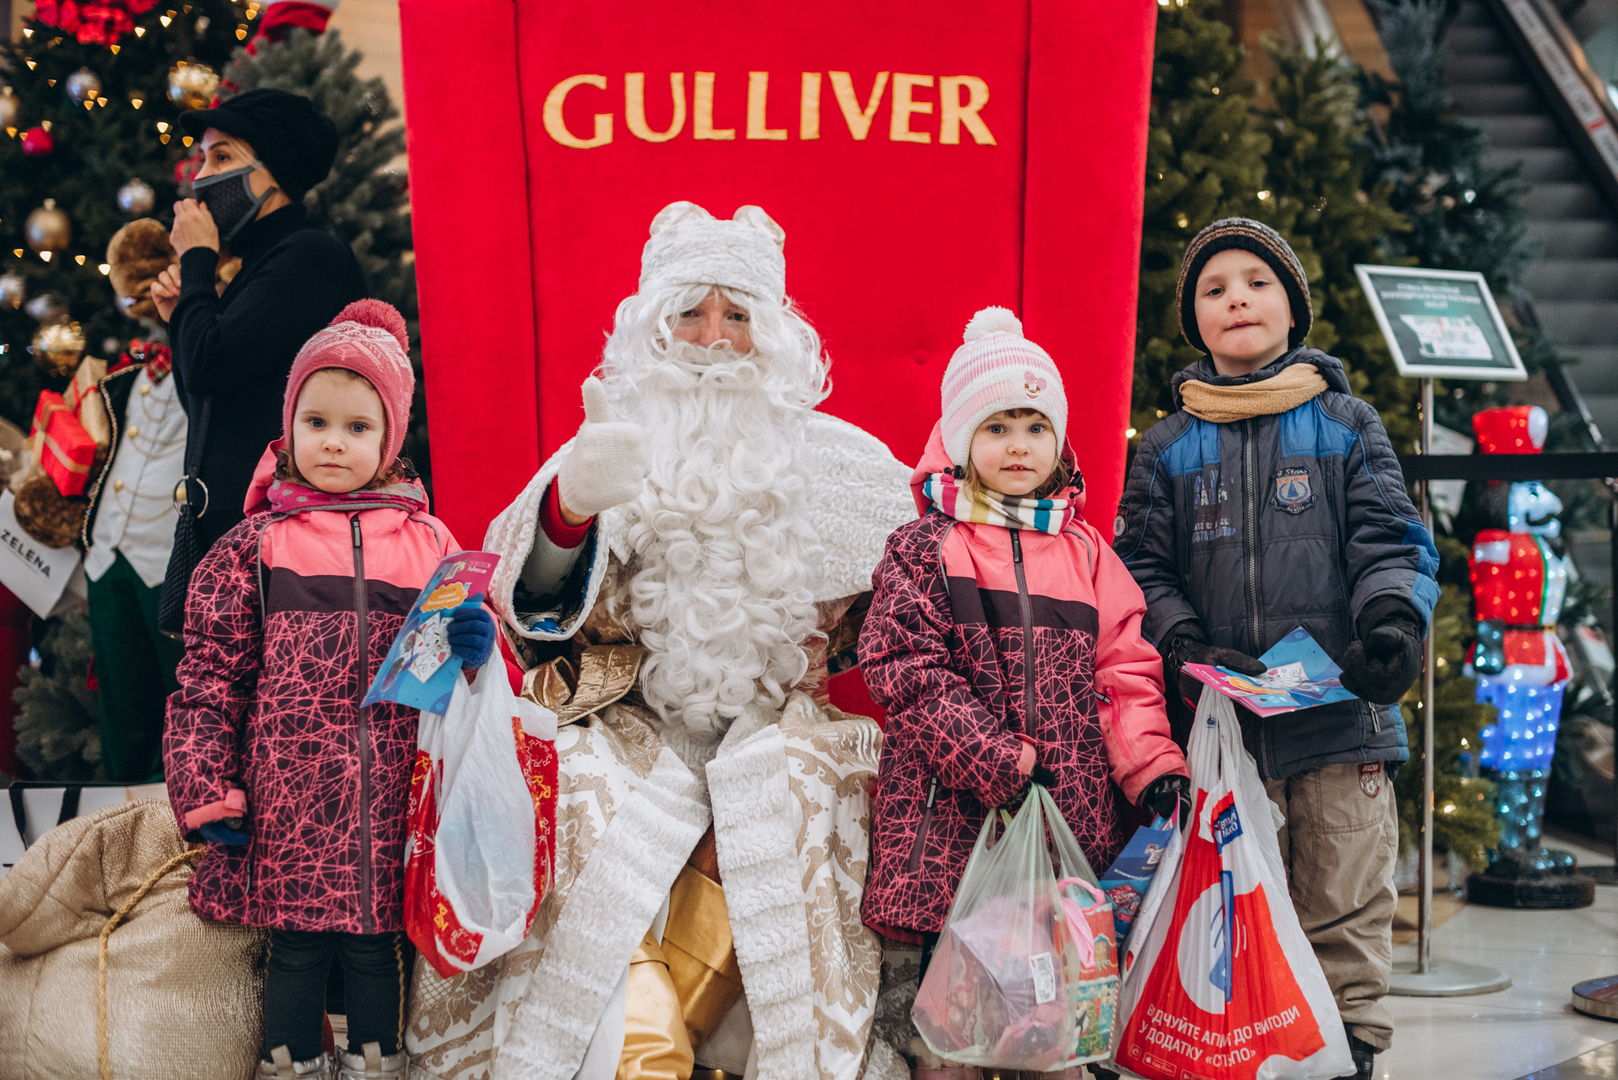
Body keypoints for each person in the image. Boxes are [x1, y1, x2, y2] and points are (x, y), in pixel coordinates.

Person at [407, 202, 916, 1080]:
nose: (713, 337)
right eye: (690, 312)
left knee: (801, 817)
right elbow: (521, 602)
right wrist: (569, 509)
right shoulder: (615, 436)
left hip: (784, 732)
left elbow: (931, 593)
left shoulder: (847, 464)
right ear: (654, 325)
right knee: (576, 812)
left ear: (775, 335)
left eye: (738, 315)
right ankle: (624, 1048)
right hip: (634, 726)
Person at [1112, 218, 1438, 1080]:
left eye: (1255, 282)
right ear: (1196, 322)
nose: (1237, 301)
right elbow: (1140, 566)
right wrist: (1180, 635)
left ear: (1290, 305)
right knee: (1239, 913)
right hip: (1229, 735)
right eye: (1214, 291)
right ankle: (1253, 1054)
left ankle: (1354, 1051)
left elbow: (1389, 541)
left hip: (1340, 726)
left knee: (1343, 903)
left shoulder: (1345, 423)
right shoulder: (1168, 448)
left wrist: (1394, 625)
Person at [161, 301, 497, 1080]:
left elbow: (457, 679)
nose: (334, 444)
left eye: (356, 427)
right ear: (289, 428)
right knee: (298, 949)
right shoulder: (257, 545)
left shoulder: (428, 544)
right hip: (288, 797)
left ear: (390, 440)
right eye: (316, 422)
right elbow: (210, 679)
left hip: (389, 796)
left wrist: (477, 653)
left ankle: (376, 1066)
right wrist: (209, 789)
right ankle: (290, 1065)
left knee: (377, 949)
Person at [858, 308, 1189, 1080]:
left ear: (1060, 442)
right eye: (997, 426)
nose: (1017, 445)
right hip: (948, 836)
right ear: (961, 439)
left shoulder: (1086, 554)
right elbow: (904, 669)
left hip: (1062, 835)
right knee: (950, 1038)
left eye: (1035, 426)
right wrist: (996, 759)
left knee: (1054, 1037)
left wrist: (1151, 768)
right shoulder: (925, 547)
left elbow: (1125, 674)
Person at [150, 87, 366, 557]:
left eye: (221, 157)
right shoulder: (261, 261)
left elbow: (212, 364)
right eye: (202, 159)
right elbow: (207, 404)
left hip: (277, 541)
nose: (202, 178)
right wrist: (180, 316)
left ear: (275, 171)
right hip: (231, 533)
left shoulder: (309, 255)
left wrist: (199, 261)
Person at [81, 340, 187, 781]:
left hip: (171, 555)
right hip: (107, 552)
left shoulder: (208, 360)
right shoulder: (128, 374)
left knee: (183, 704)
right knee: (121, 707)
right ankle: (118, 827)